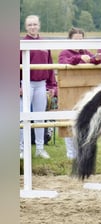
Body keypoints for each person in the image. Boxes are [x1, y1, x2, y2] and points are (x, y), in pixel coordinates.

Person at [58, 27, 101, 159]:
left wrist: (96, 59)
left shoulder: (86, 52)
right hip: (69, 92)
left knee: (84, 121)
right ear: (70, 40)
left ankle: (82, 152)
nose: (79, 42)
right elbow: (64, 64)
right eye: (75, 39)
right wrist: (79, 58)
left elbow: (93, 62)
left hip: (83, 90)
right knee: (68, 121)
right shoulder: (64, 53)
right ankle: (71, 154)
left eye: (81, 39)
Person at [20, 15, 57, 159]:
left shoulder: (44, 44)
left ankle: (40, 148)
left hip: (41, 84)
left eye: (35, 24)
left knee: (40, 117)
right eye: (30, 25)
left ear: (39, 25)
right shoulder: (22, 43)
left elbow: (50, 65)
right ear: (26, 27)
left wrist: (52, 85)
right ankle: (21, 148)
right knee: (23, 117)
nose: (33, 27)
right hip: (26, 83)